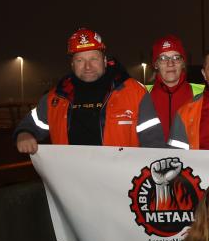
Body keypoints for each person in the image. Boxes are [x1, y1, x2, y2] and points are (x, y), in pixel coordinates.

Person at [14, 28, 165, 153]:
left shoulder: (134, 92)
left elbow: (153, 142)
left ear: (104, 61)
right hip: (70, 179)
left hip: (120, 178)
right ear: (72, 64)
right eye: (80, 60)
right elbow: (30, 124)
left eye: (94, 58)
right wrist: (24, 134)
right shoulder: (57, 97)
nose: (88, 66)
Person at [146, 35, 203, 142]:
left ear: (183, 63)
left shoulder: (203, 93)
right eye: (163, 58)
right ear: (156, 64)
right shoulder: (141, 94)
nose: (170, 63)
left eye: (176, 58)